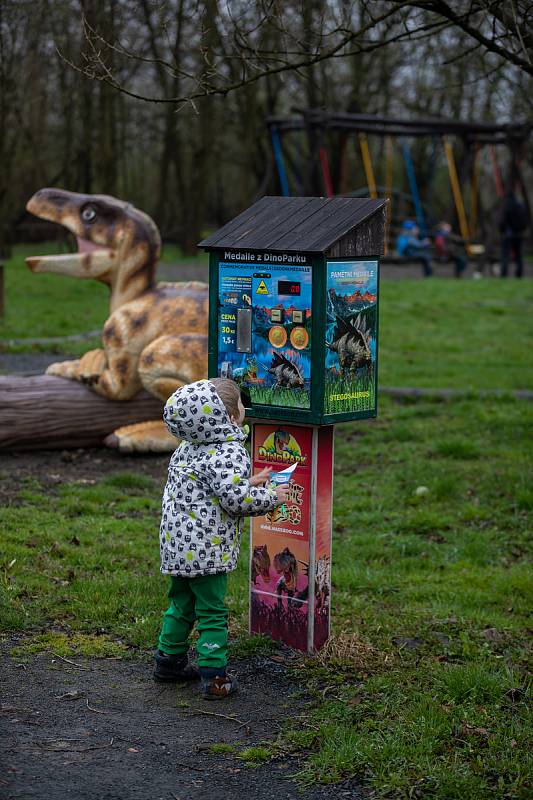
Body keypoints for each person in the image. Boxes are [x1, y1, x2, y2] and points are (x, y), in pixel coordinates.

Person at [154, 377, 289, 699]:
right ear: (229, 418)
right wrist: (273, 495)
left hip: (177, 546)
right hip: (207, 550)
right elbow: (236, 502)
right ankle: (215, 678)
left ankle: (167, 663)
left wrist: (250, 480)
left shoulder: (187, 448)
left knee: (181, 605)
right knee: (212, 612)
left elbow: (207, 485)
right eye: (241, 406)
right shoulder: (228, 450)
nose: (244, 410)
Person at [499, 191, 529, 278]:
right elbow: (525, 219)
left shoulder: (506, 206)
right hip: (519, 234)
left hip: (508, 234)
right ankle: (519, 273)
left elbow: (502, 220)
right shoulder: (520, 205)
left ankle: (504, 273)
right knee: (519, 255)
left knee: (505, 255)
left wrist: (502, 230)